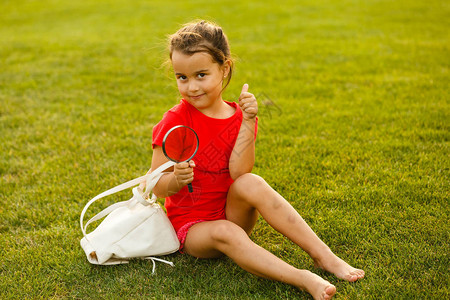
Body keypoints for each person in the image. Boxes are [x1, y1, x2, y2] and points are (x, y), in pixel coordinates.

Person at [148, 20, 364, 300]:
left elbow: (240, 172)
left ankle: (325, 256)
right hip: (193, 229)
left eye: (201, 75)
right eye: (182, 77)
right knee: (225, 231)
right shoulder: (176, 120)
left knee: (252, 182)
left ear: (224, 69)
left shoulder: (239, 115)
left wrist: (248, 121)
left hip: (232, 212)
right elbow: (155, 185)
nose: (191, 87)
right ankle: (302, 278)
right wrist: (175, 180)